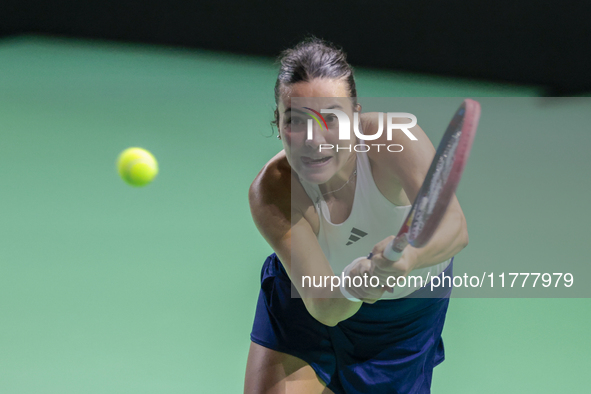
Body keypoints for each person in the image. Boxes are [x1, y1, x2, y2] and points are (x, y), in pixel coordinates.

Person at [244, 37, 469, 394]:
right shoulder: (272, 190)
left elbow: (454, 227)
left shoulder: (395, 140)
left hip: (402, 320)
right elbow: (325, 306)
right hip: (308, 301)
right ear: (278, 122)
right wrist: (353, 284)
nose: (313, 139)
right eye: (295, 120)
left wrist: (409, 257)